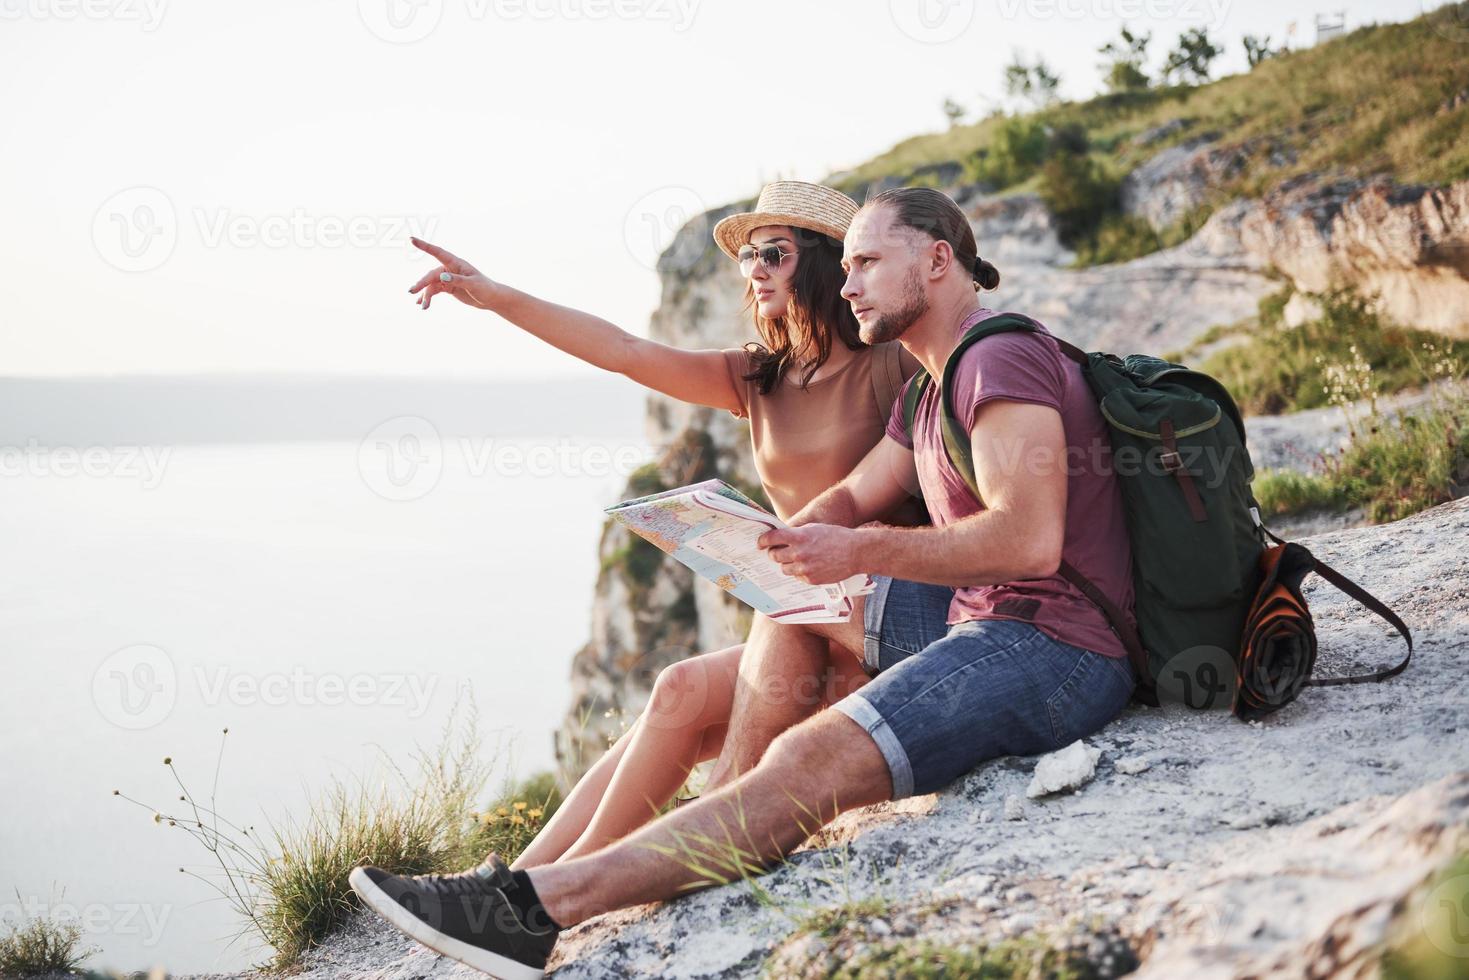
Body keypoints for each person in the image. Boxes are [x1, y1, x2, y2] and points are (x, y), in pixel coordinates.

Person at [352, 185, 1140, 978]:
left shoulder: (985, 356)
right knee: (685, 691)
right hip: (951, 618)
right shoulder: (923, 383)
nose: (848, 283)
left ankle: (576, 884)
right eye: (849, 264)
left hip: (1048, 645)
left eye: (861, 261)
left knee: (795, 750)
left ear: (937, 261)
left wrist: (841, 550)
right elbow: (852, 491)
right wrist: (796, 540)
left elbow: (1028, 540)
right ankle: (518, 885)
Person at [401, 181, 926, 875]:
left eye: (775, 253)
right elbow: (622, 350)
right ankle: (515, 878)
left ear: (829, 262)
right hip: (801, 623)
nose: (756, 270)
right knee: (678, 687)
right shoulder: (760, 377)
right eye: (747, 259)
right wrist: (497, 298)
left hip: (879, 628)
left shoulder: (892, 363)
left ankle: (555, 890)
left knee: (743, 651)